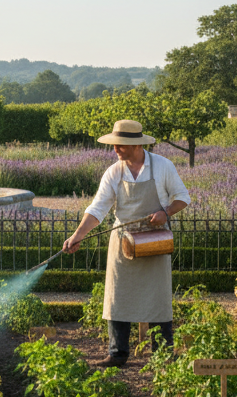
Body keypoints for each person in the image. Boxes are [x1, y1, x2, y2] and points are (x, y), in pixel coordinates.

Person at [63, 119, 190, 368]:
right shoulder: (114, 172)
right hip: (123, 244)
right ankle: (117, 354)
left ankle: (162, 354)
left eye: (120, 145)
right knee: (117, 297)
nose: (115, 149)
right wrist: (77, 235)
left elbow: (183, 197)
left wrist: (165, 213)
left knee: (158, 299)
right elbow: (98, 209)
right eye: (114, 144)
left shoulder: (162, 166)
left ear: (136, 145)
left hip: (154, 242)